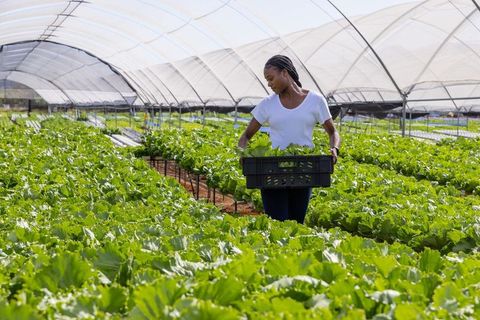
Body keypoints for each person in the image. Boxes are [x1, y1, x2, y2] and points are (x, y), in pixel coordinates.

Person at [238, 55, 340, 224]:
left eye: (271, 79)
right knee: (277, 223)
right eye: (267, 81)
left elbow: (332, 133)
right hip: (273, 171)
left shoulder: (315, 100)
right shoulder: (267, 104)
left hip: (303, 171)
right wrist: (242, 152)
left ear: (284, 73)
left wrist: (334, 149)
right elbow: (246, 136)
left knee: (296, 223)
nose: (269, 84)